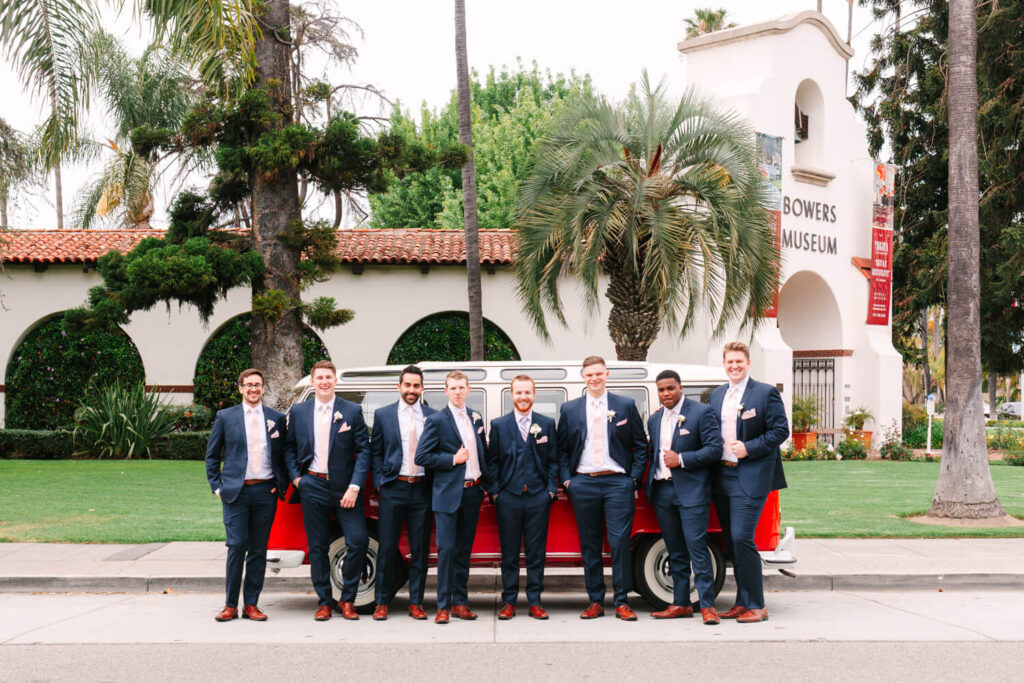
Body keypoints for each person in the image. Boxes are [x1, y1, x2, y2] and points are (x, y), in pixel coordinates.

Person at [557, 355, 647, 621]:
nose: (594, 378)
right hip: (583, 483)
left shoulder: (625, 405)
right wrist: (567, 480)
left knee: (619, 542)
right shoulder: (570, 409)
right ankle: (595, 600)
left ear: (606, 374)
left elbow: (640, 445)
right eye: (589, 375)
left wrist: (633, 479)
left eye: (598, 373)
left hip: (617, 482)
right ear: (583, 378)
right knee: (590, 544)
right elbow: (562, 449)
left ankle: (621, 601)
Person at [285, 360, 370, 621]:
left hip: (345, 488)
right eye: (319, 378)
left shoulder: (352, 411)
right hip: (313, 485)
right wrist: (298, 480)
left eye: (328, 377)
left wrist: (355, 487)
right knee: (318, 546)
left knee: (358, 541)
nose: (324, 382)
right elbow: (288, 449)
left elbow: (364, 450)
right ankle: (323, 601)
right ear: (313, 381)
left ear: (335, 381)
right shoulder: (299, 412)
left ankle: (348, 600)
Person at [710, 341, 789, 623]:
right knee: (732, 544)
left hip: (751, 476)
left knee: (743, 538)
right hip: (722, 476)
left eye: (739, 362)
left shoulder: (765, 393)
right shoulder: (717, 395)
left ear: (748, 363)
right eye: (730, 362)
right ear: (724, 364)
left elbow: (781, 430)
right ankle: (742, 601)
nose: (734, 366)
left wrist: (749, 448)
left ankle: (757, 604)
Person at [205, 368, 288, 622]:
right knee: (237, 545)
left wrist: (278, 484)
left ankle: (251, 604)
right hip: (236, 493)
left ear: (264, 389)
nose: (253, 389)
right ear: (240, 388)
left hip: (265, 492)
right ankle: (230, 604)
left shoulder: (276, 418)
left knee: (258, 549)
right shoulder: (225, 417)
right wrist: (218, 487)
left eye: (258, 385)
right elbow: (211, 455)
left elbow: (283, 455)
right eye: (248, 385)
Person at [645, 369, 723, 625]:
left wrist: (681, 459)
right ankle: (680, 603)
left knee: (697, 548)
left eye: (670, 388)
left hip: (691, 491)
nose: (666, 394)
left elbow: (714, 449)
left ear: (680, 388)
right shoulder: (654, 420)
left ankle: (708, 606)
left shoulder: (701, 413)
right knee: (675, 550)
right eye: (661, 390)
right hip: (662, 491)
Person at [414, 370, 493, 624]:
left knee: (463, 551)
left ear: (468, 389)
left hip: (472, 493)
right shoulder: (437, 421)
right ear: (446, 391)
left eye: (462, 387)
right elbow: (421, 457)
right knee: (447, 550)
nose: (458, 392)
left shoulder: (475, 417)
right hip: (447, 495)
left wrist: (485, 485)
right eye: (453, 388)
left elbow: (483, 453)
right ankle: (442, 606)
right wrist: (452, 459)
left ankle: (461, 602)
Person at [486, 375, 558, 620]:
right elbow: (492, 461)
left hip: (538, 497)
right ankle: (508, 602)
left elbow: (553, 461)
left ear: (534, 394)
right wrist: (496, 492)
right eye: (518, 393)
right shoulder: (499, 425)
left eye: (527, 392)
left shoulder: (546, 424)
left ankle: (535, 601)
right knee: (509, 553)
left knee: (537, 553)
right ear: (512, 395)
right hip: (508, 497)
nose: (523, 397)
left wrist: (549, 491)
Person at [369, 365, 436, 621]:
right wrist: (379, 482)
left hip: (421, 489)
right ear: (399, 387)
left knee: (420, 550)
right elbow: (376, 450)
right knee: (387, 548)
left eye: (416, 385)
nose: (411, 390)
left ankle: (416, 603)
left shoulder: (433, 416)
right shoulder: (383, 415)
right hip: (393, 488)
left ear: (422, 388)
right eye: (407, 385)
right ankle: (381, 602)